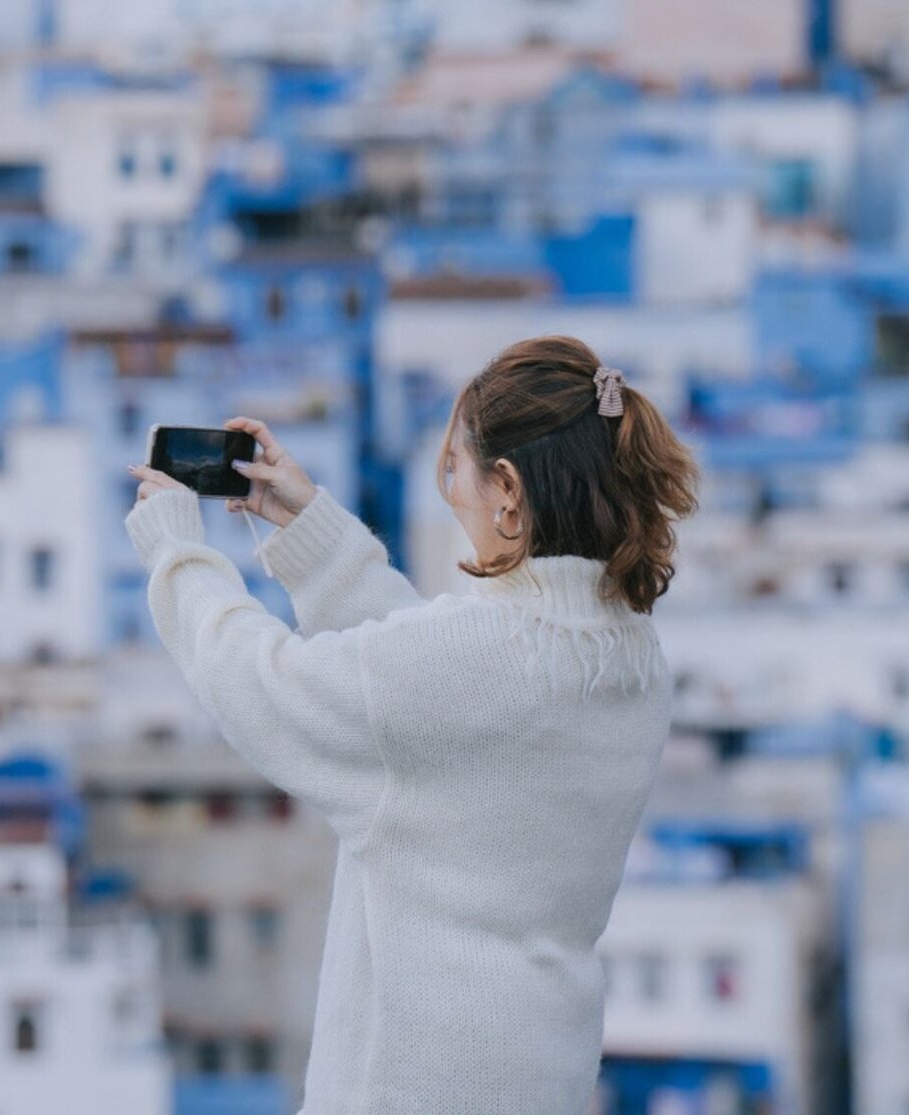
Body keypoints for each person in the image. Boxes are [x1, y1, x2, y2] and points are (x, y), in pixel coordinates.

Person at [123, 335, 700, 1114]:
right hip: (542, 1079)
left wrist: (177, 555)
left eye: (455, 468)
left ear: (508, 489)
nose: (450, 492)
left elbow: (268, 687)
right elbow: (437, 716)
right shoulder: (633, 660)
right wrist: (311, 533)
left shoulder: (474, 662)